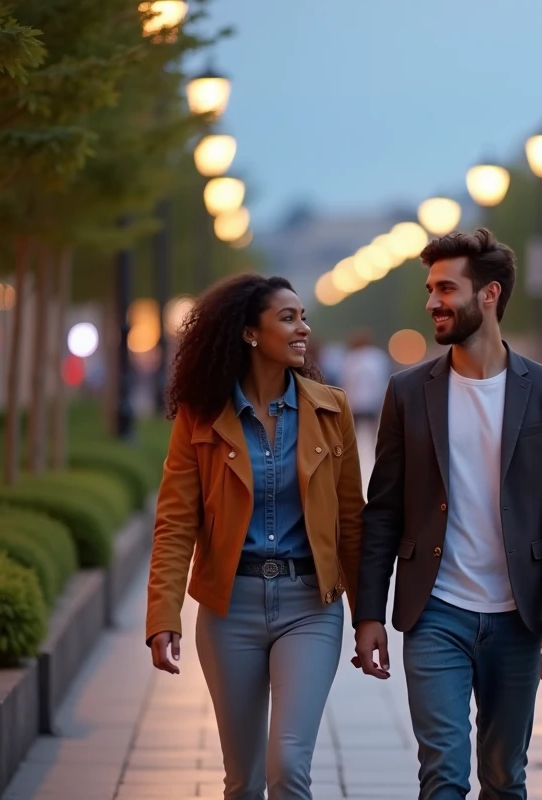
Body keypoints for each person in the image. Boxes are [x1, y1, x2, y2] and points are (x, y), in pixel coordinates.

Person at [352, 228, 542, 800]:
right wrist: (368, 614)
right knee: (443, 776)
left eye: (446, 288)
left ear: (488, 294)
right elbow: (382, 510)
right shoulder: (408, 392)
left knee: (506, 779)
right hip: (436, 612)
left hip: (519, 616)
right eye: (430, 288)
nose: (433, 301)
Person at [145, 274, 364, 800]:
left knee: (287, 766)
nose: (303, 328)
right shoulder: (201, 418)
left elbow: (351, 521)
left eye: (303, 317)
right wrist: (162, 615)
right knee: (242, 781)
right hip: (229, 610)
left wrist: (369, 617)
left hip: (310, 605)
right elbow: (176, 522)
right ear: (249, 333)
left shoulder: (331, 410)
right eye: (288, 318)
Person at [339, 327, 392, 431]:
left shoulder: (350, 358)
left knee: (355, 432)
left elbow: (346, 381)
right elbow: (381, 379)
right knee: (374, 431)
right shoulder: (377, 356)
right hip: (372, 401)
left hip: (357, 402)